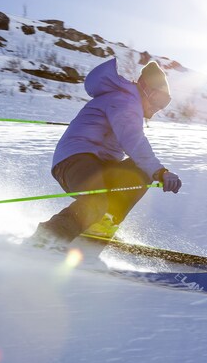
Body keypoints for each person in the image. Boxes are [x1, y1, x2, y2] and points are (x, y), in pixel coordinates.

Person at [28, 57, 182, 248]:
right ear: (144, 88)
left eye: (164, 104)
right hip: (74, 160)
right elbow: (133, 140)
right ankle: (47, 239)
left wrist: (153, 170)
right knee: (97, 200)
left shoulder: (128, 102)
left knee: (138, 170)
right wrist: (160, 171)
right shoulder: (124, 100)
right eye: (157, 99)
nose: (156, 108)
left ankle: (98, 230)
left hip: (98, 164)